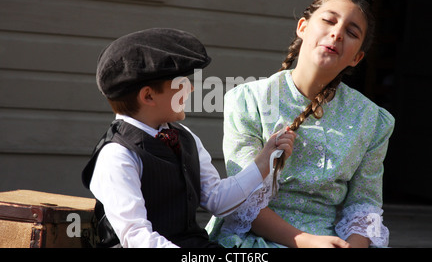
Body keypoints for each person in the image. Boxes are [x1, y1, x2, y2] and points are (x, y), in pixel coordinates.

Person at [205, 0, 395, 248]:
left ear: (356, 58)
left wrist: (352, 245)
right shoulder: (249, 100)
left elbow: (364, 203)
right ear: (302, 27)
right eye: (329, 20)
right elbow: (243, 197)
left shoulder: (373, 120)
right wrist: (306, 242)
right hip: (252, 238)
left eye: (351, 33)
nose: (337, 33)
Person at [81, 28, 295, 248]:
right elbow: (136, 237)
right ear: (148, 96)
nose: (191, 88)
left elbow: (217, 199)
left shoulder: (185, 137)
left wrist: (264, 160)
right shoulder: (117, 155)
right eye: (180, 83)